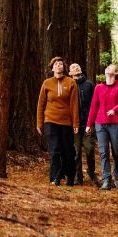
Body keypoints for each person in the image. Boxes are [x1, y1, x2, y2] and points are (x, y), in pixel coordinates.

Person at [35, 56, 80, 186]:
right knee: (54, 150)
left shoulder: (71, 82)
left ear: (64, 67)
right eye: (55, 64)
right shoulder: (47, 83)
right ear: (52, 68)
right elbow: (41, 104)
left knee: (68, 151)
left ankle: (70, 176)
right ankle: (55, 177)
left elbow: (74, 104)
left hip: (66, 122)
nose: (58, 65)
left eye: (60, 64)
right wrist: (39, 123)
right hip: (50, 121)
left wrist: (75, 123)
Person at [86, 64, 118, 189]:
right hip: (100, 123)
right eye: (107, 67)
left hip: (116, 123)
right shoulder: (98, 87)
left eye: (111, 67)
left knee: (116, 152)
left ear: (116, 73)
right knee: (103, 152)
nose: (108, 68)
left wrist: (114, 109)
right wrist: (89, 124)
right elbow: (94, 106)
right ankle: (106, 179)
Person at [70, 63, 97, 186]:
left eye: (77, 67)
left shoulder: (89, 85)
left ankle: (91, 171)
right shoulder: (69, 85)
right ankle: (78, 176)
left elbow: (95, 103)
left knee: (89, 149)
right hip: (73, 125)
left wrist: (92, 122)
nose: (76, 68)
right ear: (70, 72)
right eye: (73, 67)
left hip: (88, 124)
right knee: (76, 152)